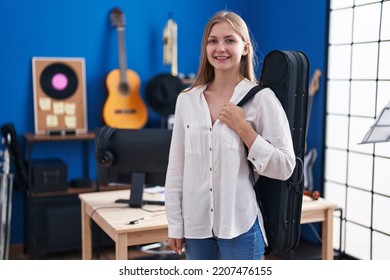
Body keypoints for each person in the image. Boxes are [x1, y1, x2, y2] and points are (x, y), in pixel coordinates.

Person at [164, 10, 295, 260]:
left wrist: (244, 129)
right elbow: (176, 169)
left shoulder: (261, 99)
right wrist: (174, 224)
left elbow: (285, 166)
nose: (220, 48)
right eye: (213, 40)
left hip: (241, 228)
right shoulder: (187, 100)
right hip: (195, 230)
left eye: (230, 40)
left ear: (245, 48)